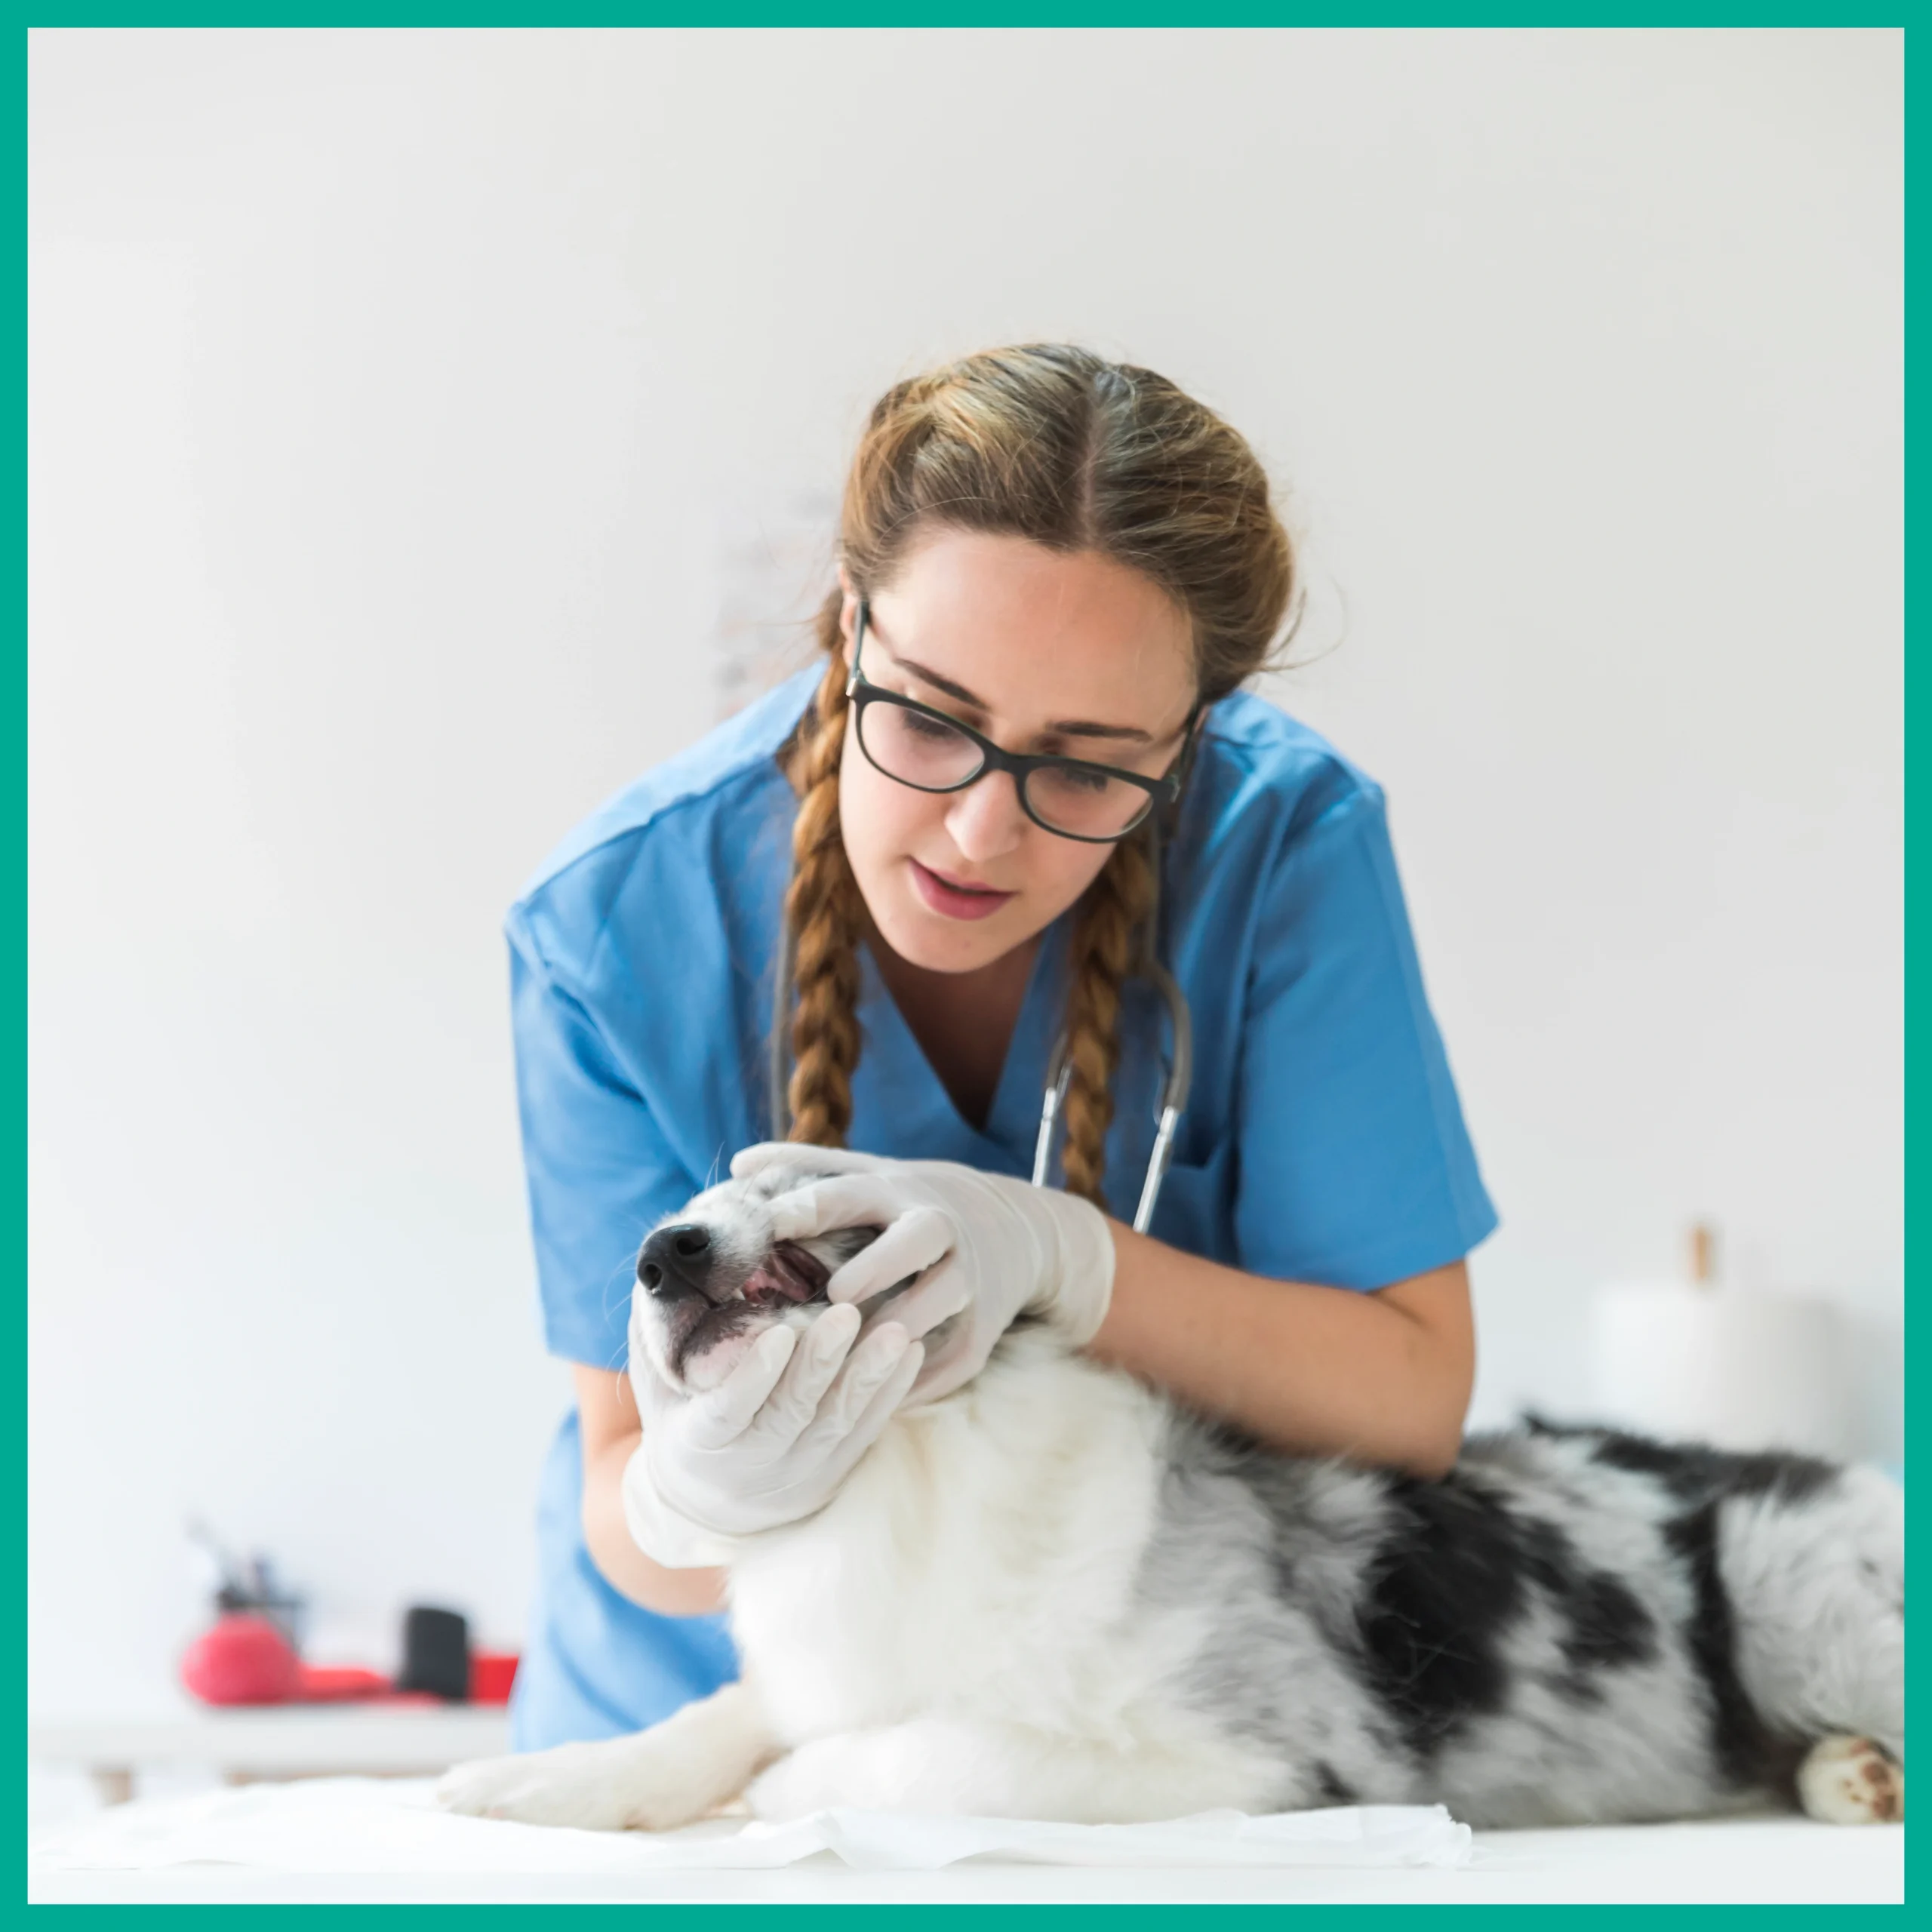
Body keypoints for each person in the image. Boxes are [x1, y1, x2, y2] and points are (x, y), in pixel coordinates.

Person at [503, 344, 1498, 1752]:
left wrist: (1070, 1263)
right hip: (691, 1743)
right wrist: (695, 1495)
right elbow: (629, 1514)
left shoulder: (1282, 850)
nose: (982, 832)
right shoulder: (610, 925)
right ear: (850, 627)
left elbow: (1408, 1404)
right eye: (928, 716)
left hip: (1091, 1725)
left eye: (1088, 765)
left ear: (1191, 739)